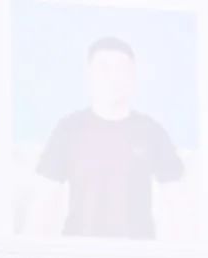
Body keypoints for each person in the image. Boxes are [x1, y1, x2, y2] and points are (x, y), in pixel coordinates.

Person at [23, 36, 185, 239]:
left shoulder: (151, 131)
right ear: (89, 75)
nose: (113, 76)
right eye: (103, 68)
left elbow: (177, 202)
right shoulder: (68, 129)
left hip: (137, 252)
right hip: (79, 249)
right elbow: (44, 202)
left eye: (121, 68)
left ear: (133, 77)